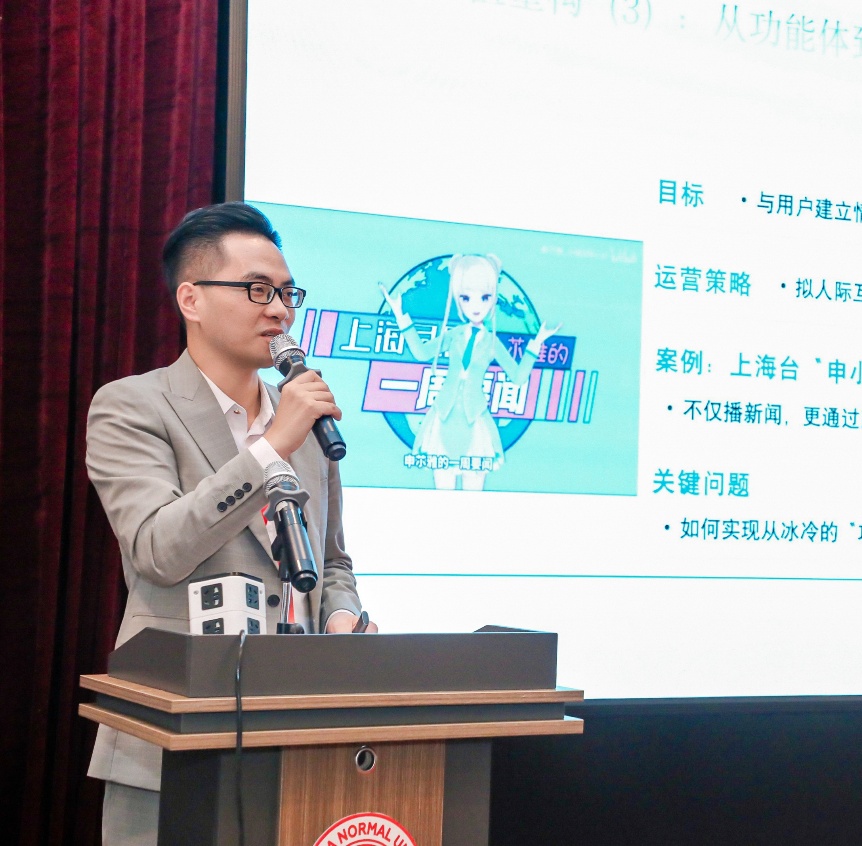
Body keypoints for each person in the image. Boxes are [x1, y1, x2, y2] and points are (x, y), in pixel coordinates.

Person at [85, 202, 377, 846]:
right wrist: (270, 448)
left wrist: (341, 617)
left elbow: (332, 562)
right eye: (256, 289)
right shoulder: (132, 405)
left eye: (287, 292)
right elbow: (158, 549)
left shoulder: (304, 420)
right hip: (175, 738)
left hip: (300, 739)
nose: (280, 310)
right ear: (191, 299)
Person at [379, 254, 559, 490]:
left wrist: (537, 343)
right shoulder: (454, 335)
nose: (476, 306)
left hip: (474, 419)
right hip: (444, 415)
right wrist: (400, 316)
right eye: (466, 297)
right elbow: (422, 353)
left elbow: (518, 377)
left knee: (474, 493)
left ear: (493, 298)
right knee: (442, 491)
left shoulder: (492, 342)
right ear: (458, 298)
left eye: (485, 297)